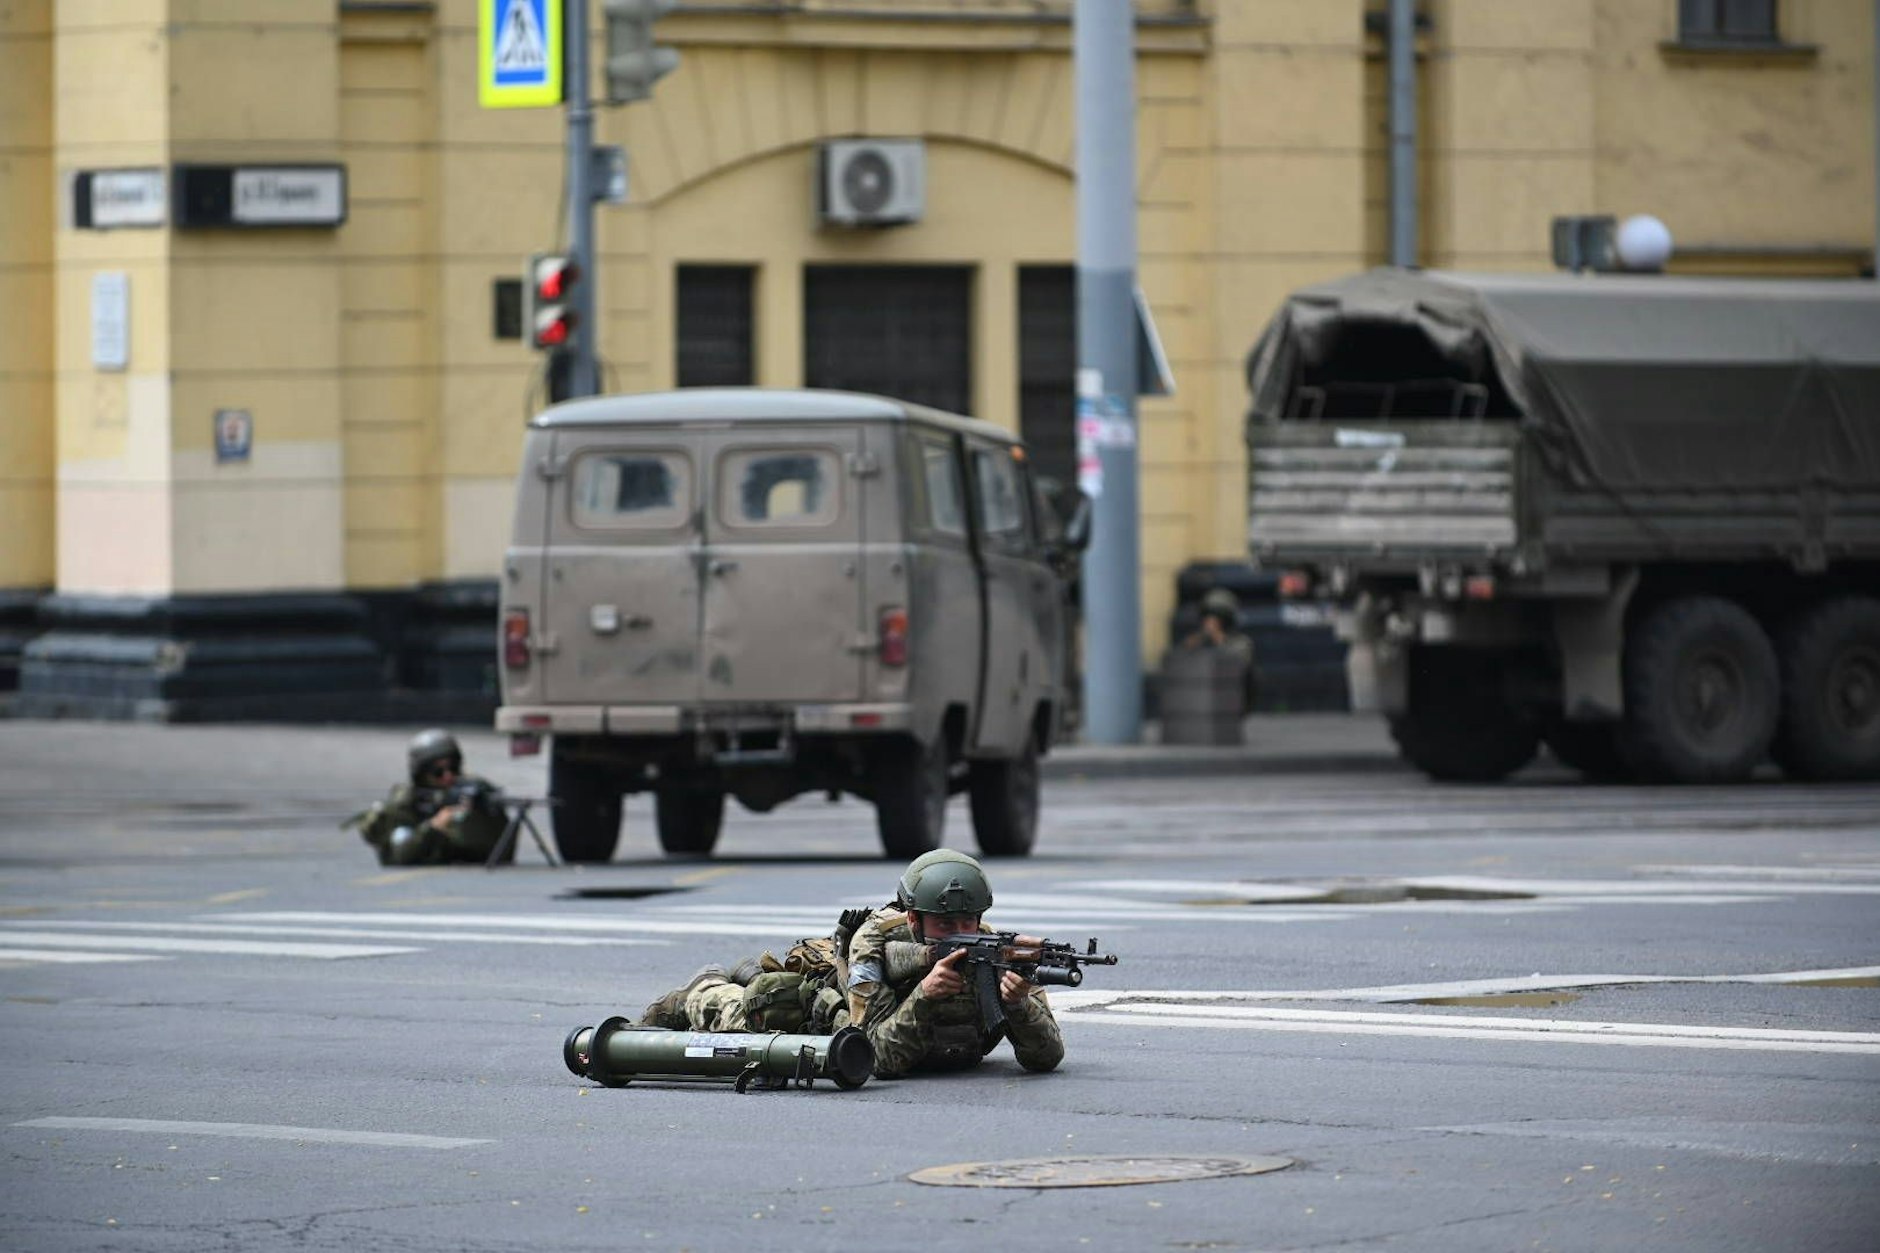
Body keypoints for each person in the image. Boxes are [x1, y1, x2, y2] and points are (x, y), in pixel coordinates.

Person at [636, 849, 1064, 1078]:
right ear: (913, 918)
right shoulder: (874, 944)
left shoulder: (996, 949)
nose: (959, 931)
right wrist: (924, 995)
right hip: (832, 1016)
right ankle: (706, 987)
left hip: (927, 1042)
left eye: (968, 920)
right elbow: (876, 1056)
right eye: (944, 923)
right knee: (750, 1010)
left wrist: (1018, 1004)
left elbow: (1047, 1057)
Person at [346, 729, 509, 866]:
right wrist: (434, 826)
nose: (448, 776)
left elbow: (501, 851)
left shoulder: (473, 787)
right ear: (421, 774)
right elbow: (399, 853)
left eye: (453, 768)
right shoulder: (406, 801)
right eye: (438, 772)